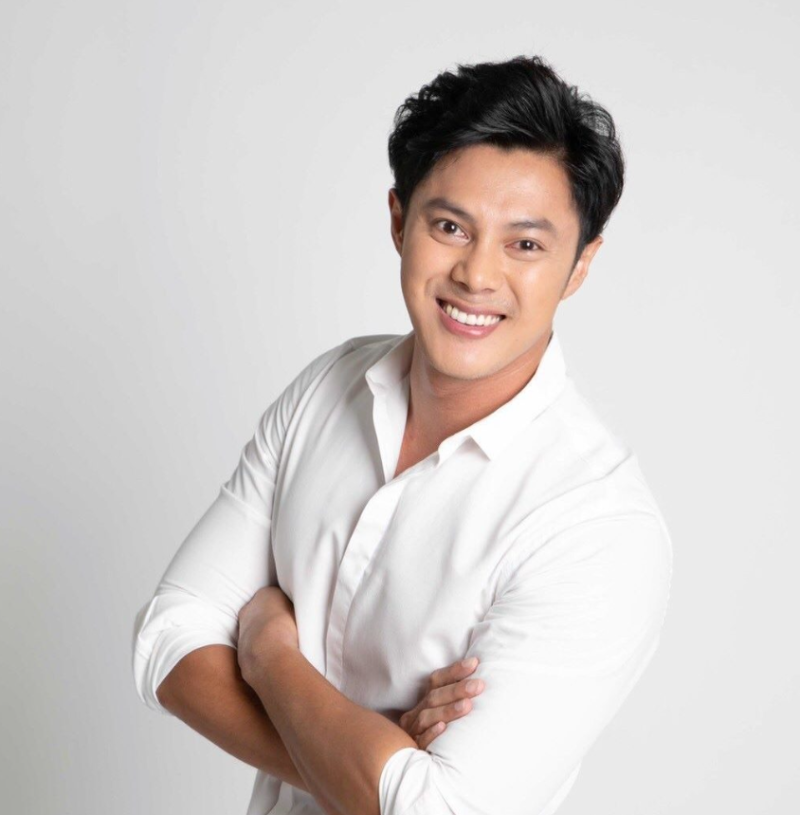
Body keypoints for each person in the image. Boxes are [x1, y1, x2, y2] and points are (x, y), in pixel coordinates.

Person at [132, 54, 673, 815]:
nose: (477, 275)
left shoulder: (596, 526)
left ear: (581, 264)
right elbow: (166, 642)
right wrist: (372, 756)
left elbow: (437, 810)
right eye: (450, 227)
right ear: (398, 221)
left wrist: (267, 651)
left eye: (525, 244)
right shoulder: (328, 389)